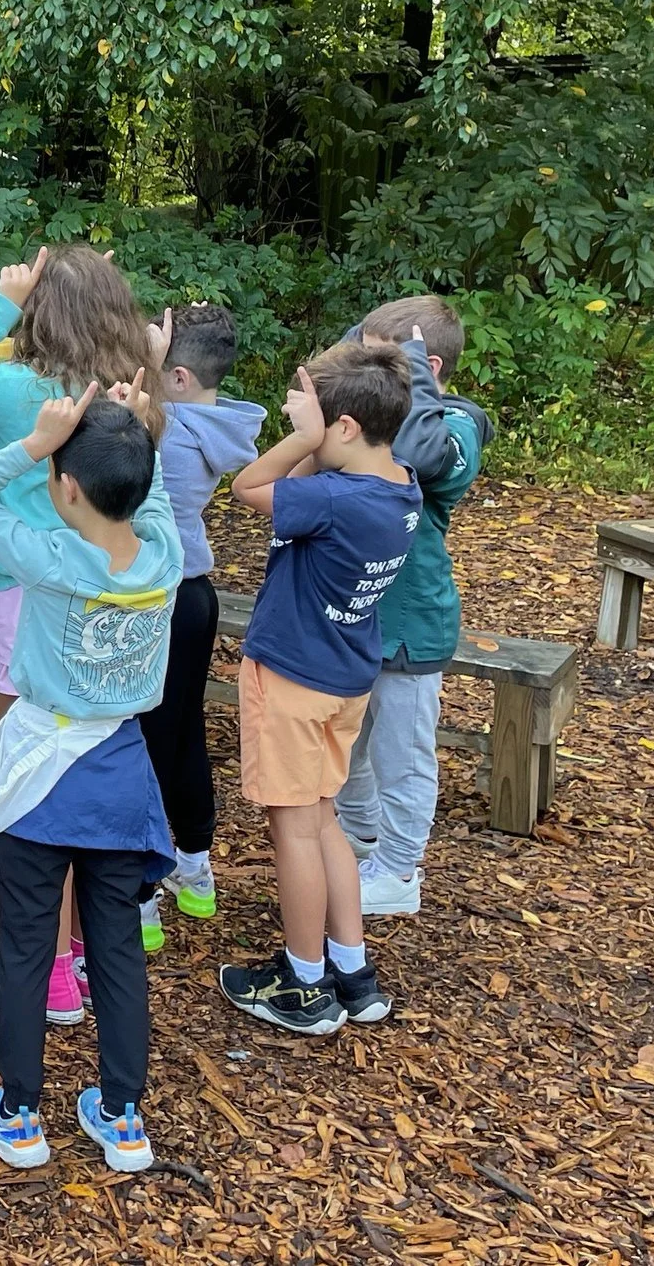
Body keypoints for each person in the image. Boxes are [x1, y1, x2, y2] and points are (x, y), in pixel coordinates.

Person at [0, 247, 165, 1015]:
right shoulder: (127, 399)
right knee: (80, 779)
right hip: (105, 592)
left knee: (33, 799)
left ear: (39, 315)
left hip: (23, 602)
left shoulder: (24, 391)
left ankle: (45, 971)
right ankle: (80, 952)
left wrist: (0, 303)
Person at [0, 383, 181, 1174]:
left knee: (24, 945)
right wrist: (138, 425)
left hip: (43, 781)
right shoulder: (164, 553)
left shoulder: (49, 556)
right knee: (116, 948)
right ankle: (121, 1116)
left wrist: (33, 443)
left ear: (66, 486)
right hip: (119, 776)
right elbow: (152, 500)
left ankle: (19, 1113)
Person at [218, 343, 422, 1036]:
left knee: (293, 828)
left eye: (315, 420)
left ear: (341, 428)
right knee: (324, 816)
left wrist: (298, 438)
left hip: (293, 677)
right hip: (345, 677)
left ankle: (303, 980)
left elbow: (248, 487)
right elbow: (307, 484)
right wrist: (317, 437)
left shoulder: (332, 497)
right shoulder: (400, 486)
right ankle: (351, 967)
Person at [339, 298, 491, 919]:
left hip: (410, 625)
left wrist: (417, 382)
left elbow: (428, 460)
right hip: (356, 616)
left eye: (385, 363)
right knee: (348, 749)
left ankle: (400, 872)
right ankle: (358, 843)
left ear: (427, 369)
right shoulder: (385, 413)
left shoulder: (455, 428)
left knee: (401, 756)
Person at [137, 303, 267, 948]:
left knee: (140, 740)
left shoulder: (167, 433)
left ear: (179, 375)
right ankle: (195, 870)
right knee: (182, 731)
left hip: (151, 596)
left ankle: (140, 898)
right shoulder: (212, 425)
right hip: (194, 594)